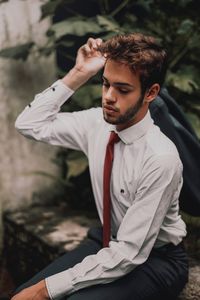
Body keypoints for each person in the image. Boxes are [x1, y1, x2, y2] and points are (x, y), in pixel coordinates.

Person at [12, 33, 188, 300]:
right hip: (105, 243)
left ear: (151, 93)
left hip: (155, 260)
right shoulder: (97, 124)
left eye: (123, 89)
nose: (108, 97)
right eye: (106, 84)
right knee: (20, 294)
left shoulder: (160, 157)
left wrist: (45, 290)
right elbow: (29, 124)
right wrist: (79, 72)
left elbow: (129, 253)